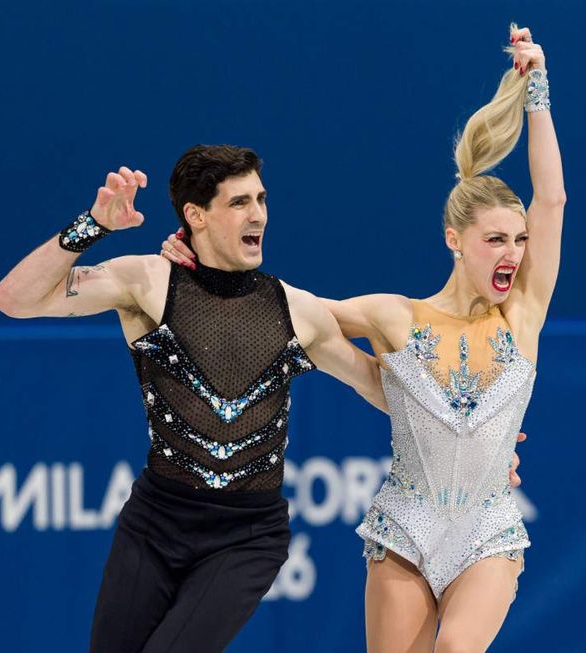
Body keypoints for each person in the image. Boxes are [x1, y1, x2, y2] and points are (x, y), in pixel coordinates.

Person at [163, 21, 562, 653]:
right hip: (406, 524)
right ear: (455, 242)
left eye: (518, 240)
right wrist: (205, 260)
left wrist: (536, 88)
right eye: (496, 239)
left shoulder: (524, 317)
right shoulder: (395, 317)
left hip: (487, 527)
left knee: (455, 649)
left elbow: (554, 200)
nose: (513, 252)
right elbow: (299, 311)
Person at [0, 146, 389, 652]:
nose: (259, 214)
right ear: (195, 216)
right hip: (154, 524)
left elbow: (378, 387)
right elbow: (14, 299)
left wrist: (480, 447)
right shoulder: (146, 282)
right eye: (240, 201)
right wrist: (94, 224)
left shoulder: (297, 310)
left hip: (246, 537)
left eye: (261, 199)